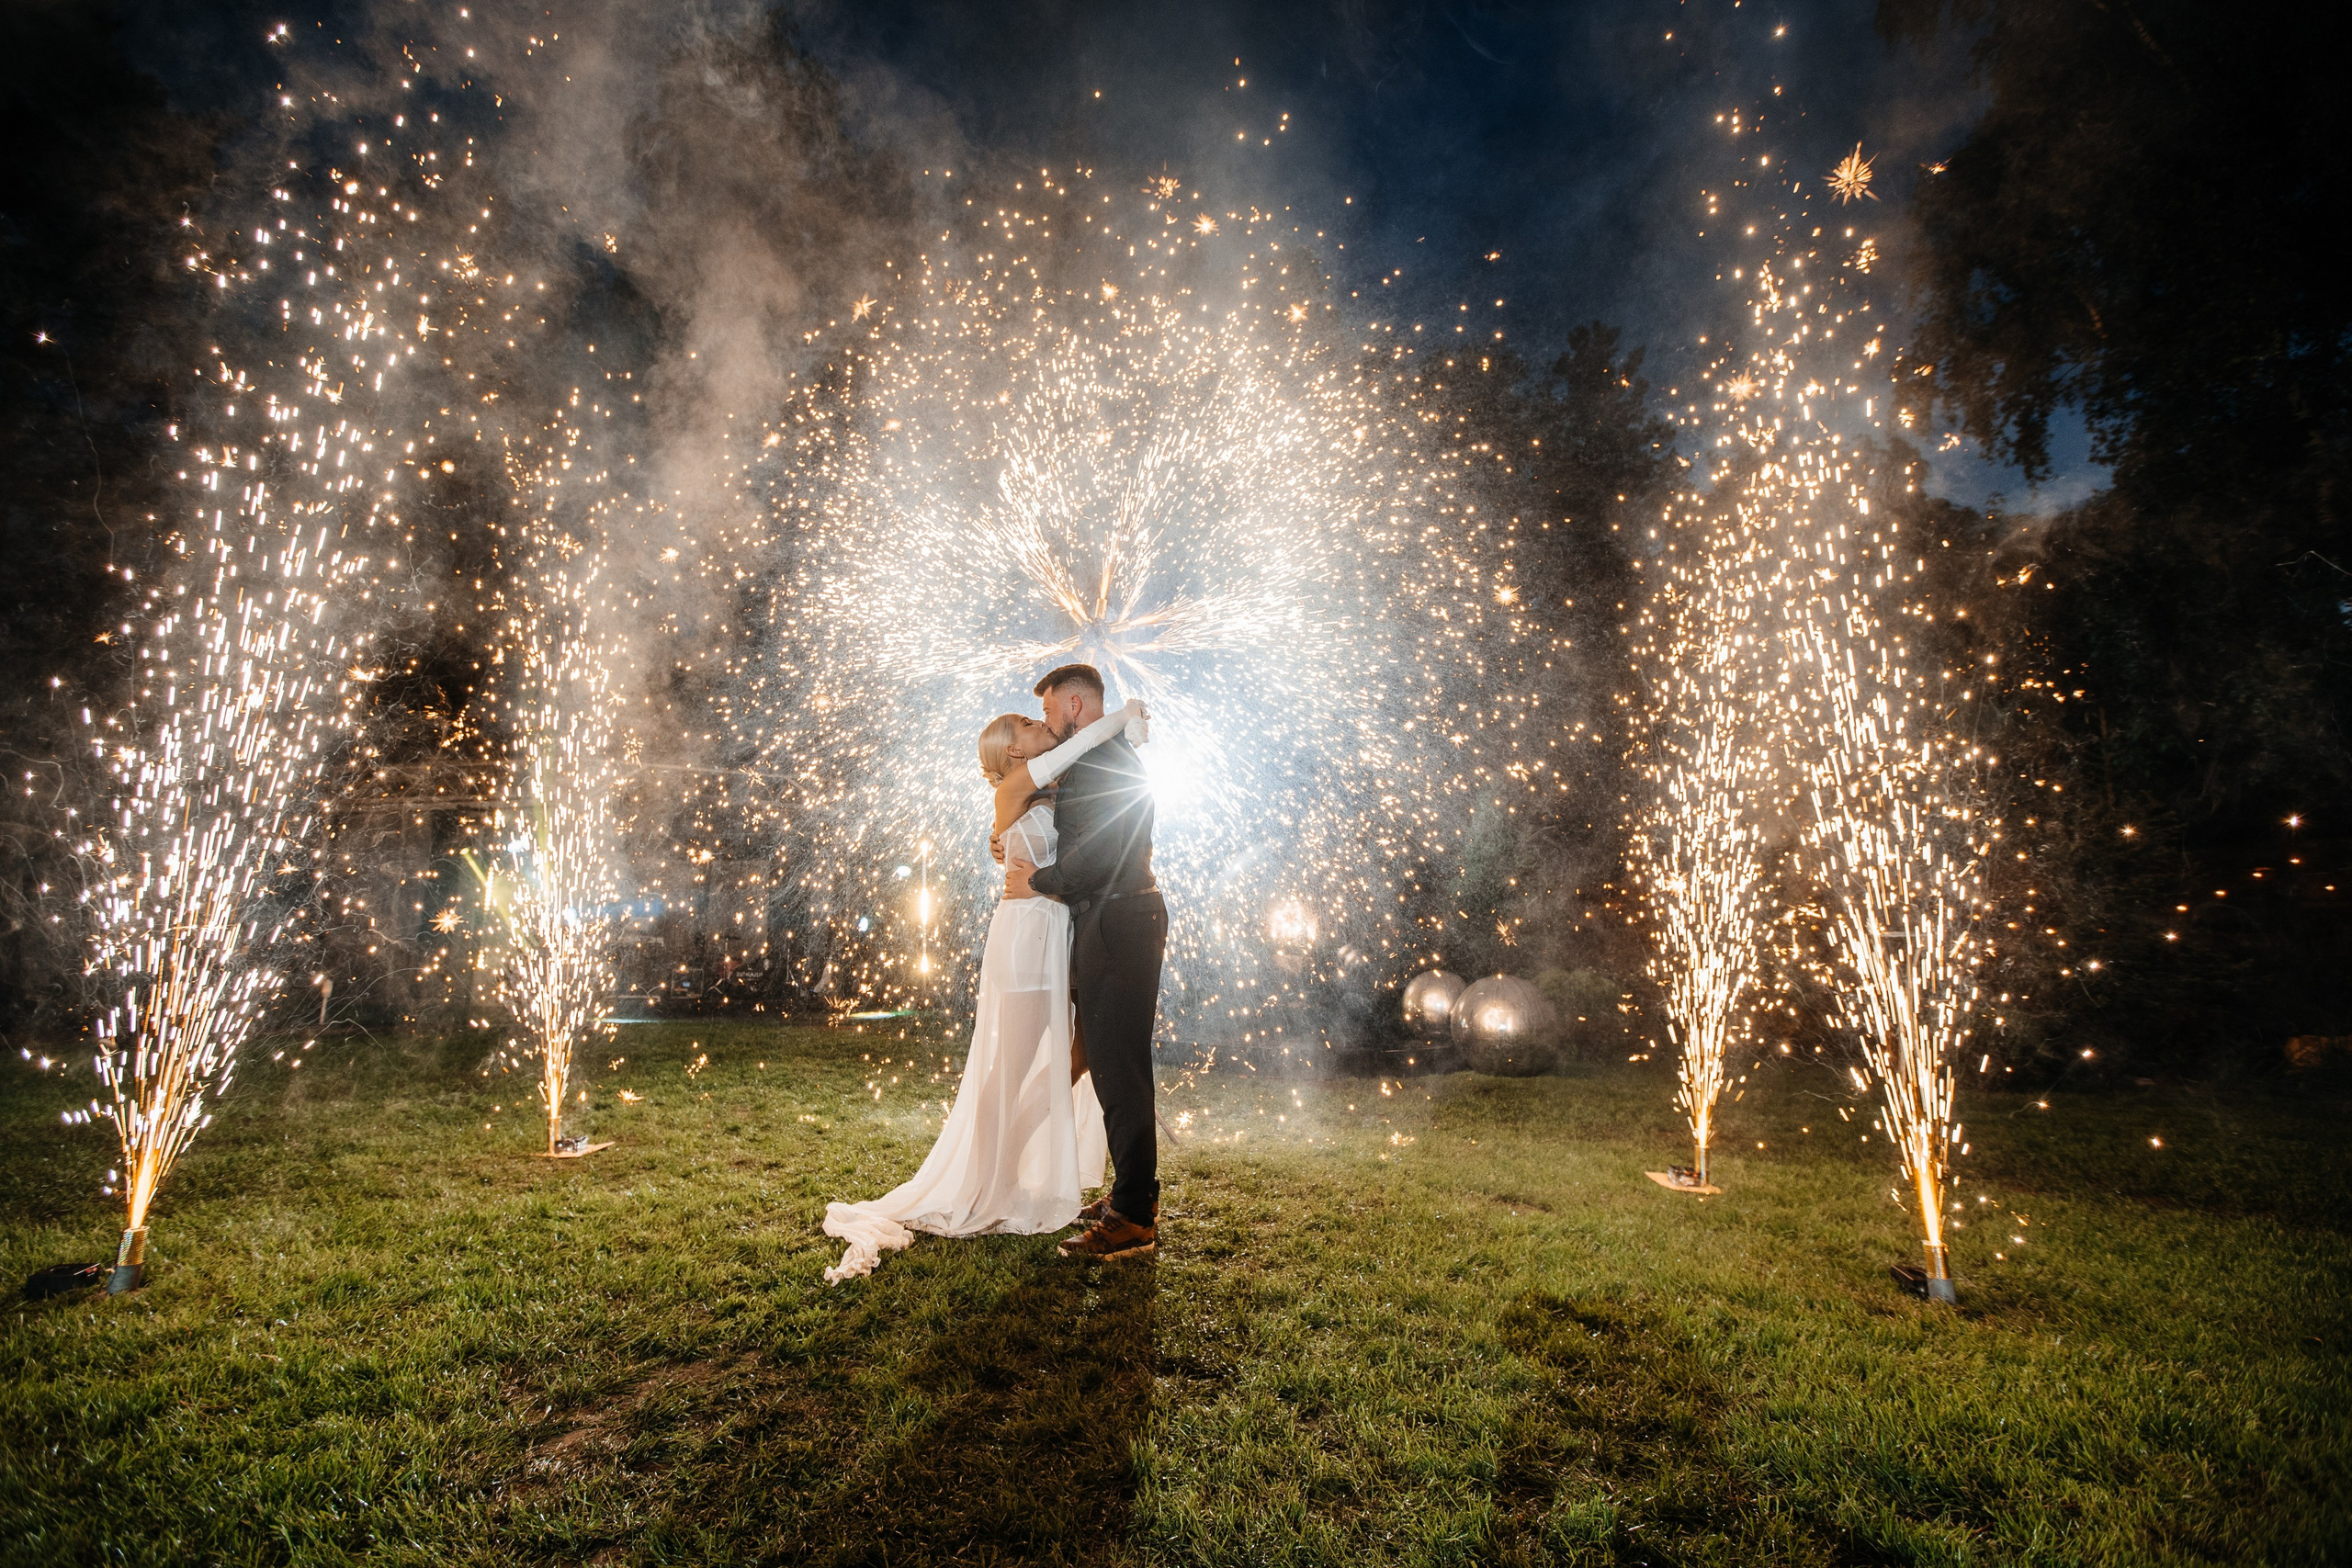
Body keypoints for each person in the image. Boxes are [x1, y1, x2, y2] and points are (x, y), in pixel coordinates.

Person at [818, 689, 1144, 1284]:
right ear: (1011, 748)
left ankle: (1010, 1156)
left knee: (1079, 1056)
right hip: (1025, 939)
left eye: (1038, 713)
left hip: (1058, 931)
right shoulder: (1013, 787)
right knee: (1012, 1068)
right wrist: (1124, 717)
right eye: (1026, 722)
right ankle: (990, 1181)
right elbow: (1057, 778)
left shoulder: (1050, 788)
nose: (1036, 721)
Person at [1006, 663, 1166, 1261]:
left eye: (1050, 712)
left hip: (1117, 918)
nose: (1048, 725)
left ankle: (1130, 1217)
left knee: (1117, 1068)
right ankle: (1133, 1198)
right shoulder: (1105, 754)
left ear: (1075, 706)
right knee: (1115, 1064)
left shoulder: (1100, 759)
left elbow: (1098, 849)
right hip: (1119, 916)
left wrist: (1039, 878)